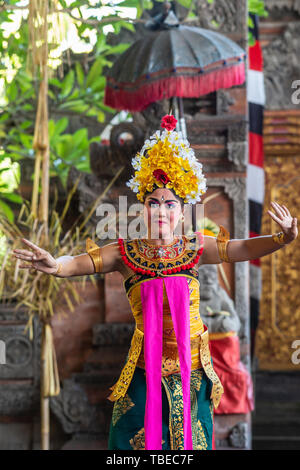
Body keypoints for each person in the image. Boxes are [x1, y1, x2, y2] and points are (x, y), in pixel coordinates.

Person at [12, 114, 298, 451]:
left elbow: (244, 248)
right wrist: (53, 265)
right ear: (142, 209)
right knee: (128, 444)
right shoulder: (124, 253)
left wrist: (282, 237)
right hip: (145, 371)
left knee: (190, 444)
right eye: (153, 203)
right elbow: (76, 264)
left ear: (181, 211)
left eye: (170, 203)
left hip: (191, 371)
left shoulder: (195, 247)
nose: (161, 210)